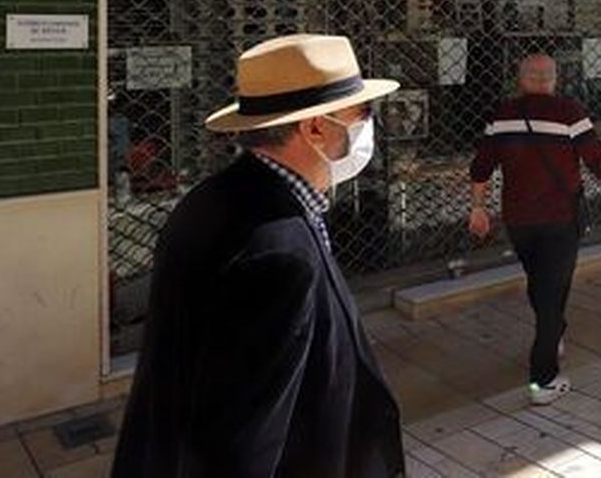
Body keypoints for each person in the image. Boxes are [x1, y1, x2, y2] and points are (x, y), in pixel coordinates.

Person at [114, 35, 405, 476]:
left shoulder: (216, 200)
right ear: (314, 128)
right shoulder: (278, 254)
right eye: (362, 113)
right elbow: (240, 440)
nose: (370, 124)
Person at [469, 53, 601, 405]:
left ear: (522, 79)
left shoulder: (502, 115)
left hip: (519, 220)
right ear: (553, 79)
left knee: (539, 283)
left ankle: (554, 334)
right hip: (560, 219)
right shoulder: (569, 112)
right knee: (551, 293)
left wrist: (478, 207)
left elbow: (481, 166)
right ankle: (543, 379)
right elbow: (599, 161)